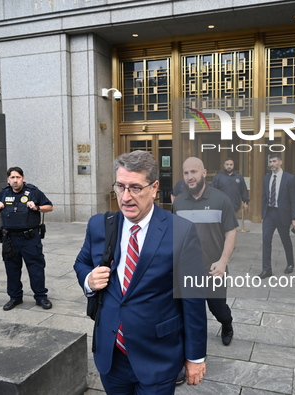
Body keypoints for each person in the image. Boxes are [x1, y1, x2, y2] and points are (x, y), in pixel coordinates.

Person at [74, 150, 207, 393]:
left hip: (158, 357)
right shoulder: (99, 225)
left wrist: (195, 358)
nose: (125, 197)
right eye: (120, 187)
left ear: (154, 187)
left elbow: (194, 299)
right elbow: (81, 262)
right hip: (111, 356)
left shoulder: (181, 231)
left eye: (135, 188)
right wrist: (88, 280)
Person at [173, 157, 238, 346]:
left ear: (203, 173)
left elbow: (231, 232)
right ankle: (194, 347)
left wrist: (223, 261)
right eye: (186, 173)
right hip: (187, 271)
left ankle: (227, 323)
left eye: (193, 172)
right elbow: (175, 235)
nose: (189, 177)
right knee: (192, 312)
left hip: (214, 270)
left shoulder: (221, 200)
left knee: (218, 309)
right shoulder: (178, 203)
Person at [0, 166, 53, 311]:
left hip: (30, 238)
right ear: (8, 180)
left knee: (36, 268)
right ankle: (15, 297)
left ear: (23, 178)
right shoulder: (4, 193)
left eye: (18, 177)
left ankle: (41, 297)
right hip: (10, 239)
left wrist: (37, 207)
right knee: (11, 269)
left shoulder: (33, 192)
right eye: (12, 178)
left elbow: (49, 207)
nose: (15, 180)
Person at [260, 153, 295, 278]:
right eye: (270, 161)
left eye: (274, 161)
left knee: (285, 240)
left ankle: (290, 264)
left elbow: (294, 200)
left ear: (280, 162)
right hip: (269, 213)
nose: (272, 164)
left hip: (283, 214)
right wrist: (263, 214)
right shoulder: (267, 178)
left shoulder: (290, 178)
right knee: (266, 240)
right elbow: (264, 197)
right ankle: (267, 269)